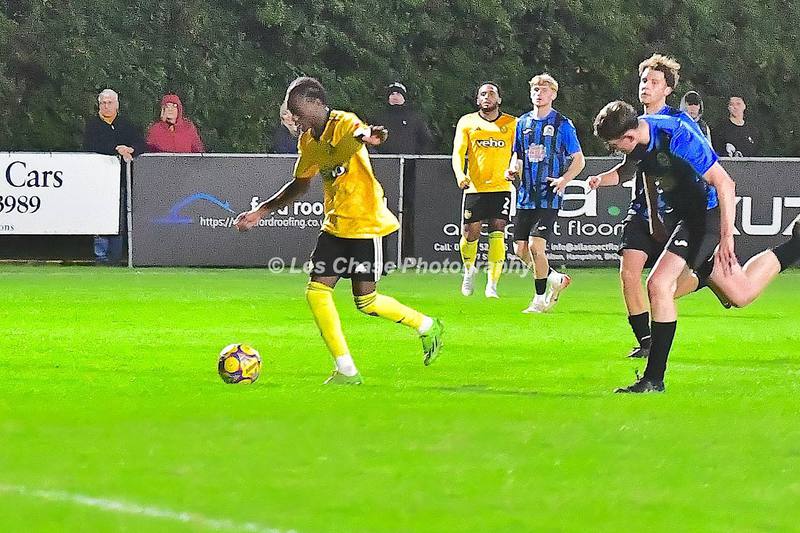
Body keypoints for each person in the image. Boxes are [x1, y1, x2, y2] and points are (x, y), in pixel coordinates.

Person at [233, 77, 444, 385]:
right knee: (316, 291)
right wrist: (259, 212)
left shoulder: (344, 122)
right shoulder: (308, 142)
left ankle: (426, 325)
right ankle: (346, 370)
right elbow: (300, 184)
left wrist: (370, 135)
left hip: (365, 223)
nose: (294, 118)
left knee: (367, 302)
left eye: (297, 111)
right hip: (335, 225)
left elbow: (360, 132)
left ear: (316, 103)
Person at [593, 100, 800, 393]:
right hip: (681, 216)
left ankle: (654, 379)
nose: (615, 150)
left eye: (615, 145)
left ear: (629, 136)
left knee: (659, 285)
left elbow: (725, 183)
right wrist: (653, 216)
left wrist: (727, 237)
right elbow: (641, 170)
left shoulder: (678, 136)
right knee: (740, 294)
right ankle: (795, 247)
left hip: (705, 216)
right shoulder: (637, 141)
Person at [588, 54, 710, 358]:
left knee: (665, 286)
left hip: (675, 213)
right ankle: (645, 342)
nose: (646, 86)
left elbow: (703, 167)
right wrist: (601, 179)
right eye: (644, 80)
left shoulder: (678, 124)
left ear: (668, 89)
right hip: (642, 210)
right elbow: (627, 170)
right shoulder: (632, 126)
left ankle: (704, 277)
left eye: (654, 82)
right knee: (628, 272)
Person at [505, 73, 584, 313]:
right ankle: (555, 278)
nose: (539, 93)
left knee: (535, 247)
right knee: (520, 250)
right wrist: (512, 169)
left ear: (553, 94)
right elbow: (518, 155)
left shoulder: (562, 124)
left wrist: (564, 180)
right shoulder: (522, 123)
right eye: (536, 90)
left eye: (544, 90)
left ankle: (539, 300)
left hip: (549, 195)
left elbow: (579, 160)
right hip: (526, 196)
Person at [451, 82, 516, 298]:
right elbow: (458, 152)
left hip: (501, 186)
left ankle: (492, 284)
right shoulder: (467, 122)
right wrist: (460, 175)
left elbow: (518, 152)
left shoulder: (512, 123)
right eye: (482, 94)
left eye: (491, 94)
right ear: (478, 100)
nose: (487, 97)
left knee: (498, 231)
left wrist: (513, 168)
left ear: (499, 99)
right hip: (475, 187)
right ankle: (469, 272)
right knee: (470, 233)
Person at [82, 88, 145, 265]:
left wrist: (130, 149)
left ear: (117, 105)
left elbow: (141, 144)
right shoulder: (93, 126)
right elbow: (90, 146)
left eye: (110, 103)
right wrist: (115, 149)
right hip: (99, 180)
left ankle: (116, 256)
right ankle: (101, 256)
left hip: (121, 181)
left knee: (119, 218)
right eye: (103, 103)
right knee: (101, 216)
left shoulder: (125, 125)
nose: (106, 106)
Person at [371, 82, 433, 154]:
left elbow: (426, 139)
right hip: (385, 159)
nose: (395, 97)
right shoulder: (379, 118)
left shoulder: (415, 118)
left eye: (398, 94)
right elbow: (370, 140)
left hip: (409, 159)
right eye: (392, 94)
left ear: (404, 98)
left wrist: (417, 156)